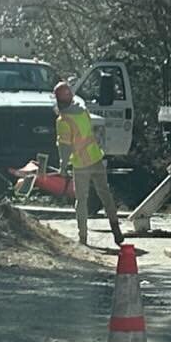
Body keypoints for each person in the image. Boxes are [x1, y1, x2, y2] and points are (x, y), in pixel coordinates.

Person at [54, 80, 123, 247]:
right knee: (105, 194)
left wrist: (63, 168)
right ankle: (116, 229)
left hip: (81, 163)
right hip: (96, 158)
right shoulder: (82, 110)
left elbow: (65, 147)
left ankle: (83, 238)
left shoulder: (63, 120)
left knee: (81, 200)